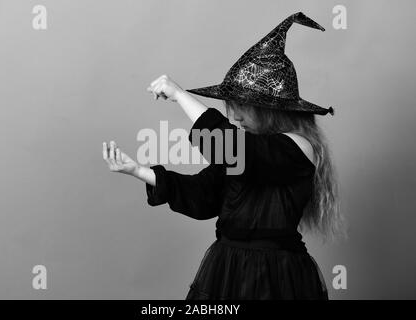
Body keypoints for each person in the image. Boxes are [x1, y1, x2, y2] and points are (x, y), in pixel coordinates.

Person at [103, 12, 346, 299]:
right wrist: (139, 171)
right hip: (227, 269)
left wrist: (181, 96)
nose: (235, 115)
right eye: (231, 106)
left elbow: (231, 148)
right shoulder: (246, 151)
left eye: (241, 106)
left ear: (267, 109)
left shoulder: (298, 147)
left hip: (276, 276)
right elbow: (203, 195)